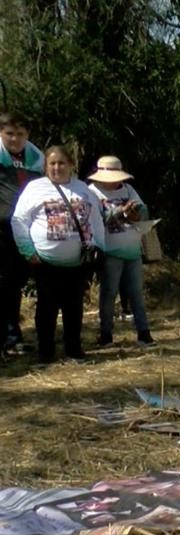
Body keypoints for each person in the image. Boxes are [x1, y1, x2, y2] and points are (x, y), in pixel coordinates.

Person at [10, 145, 106, 364]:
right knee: (47, 309)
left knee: (74, 308)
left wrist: (100, 248)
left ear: (71, 165)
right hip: (45, 262)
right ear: (45, 166)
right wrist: (27, 251)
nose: (56, 167)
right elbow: (19, 220)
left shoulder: (83, 189)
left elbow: (96, 221)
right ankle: (46, 352)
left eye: (61, 163)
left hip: (78, 263)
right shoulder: (35, 189)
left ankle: (73, 349)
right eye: (52, 163)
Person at [87, 156, 153, 348]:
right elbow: (95, 219)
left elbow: (143, 211)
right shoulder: (92, 192)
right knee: (109, 293)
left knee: (136, 292)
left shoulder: (128, 188)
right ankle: (106, 333)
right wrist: (119, 212)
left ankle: (144, 332)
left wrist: (136, 213)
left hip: (133, 249)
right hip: (109, 250)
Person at [0, 112, 43, 354]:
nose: (15, 139)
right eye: (9, 134)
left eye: (20, 134)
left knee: (14, 284)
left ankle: (12, 338)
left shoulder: (36, 160)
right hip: (0, 232)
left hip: (22, 233)